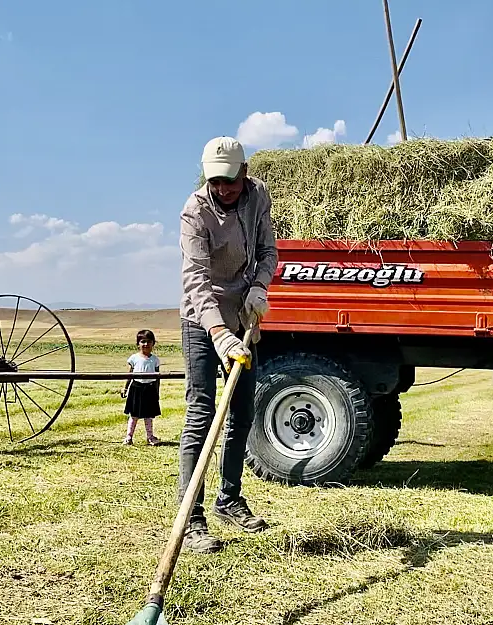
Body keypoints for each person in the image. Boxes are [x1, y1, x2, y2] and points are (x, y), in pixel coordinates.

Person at [176, 135, 278, 554]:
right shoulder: (194, 211)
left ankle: (229, 499)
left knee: (242, 410)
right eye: (216, 182)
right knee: (201, 411)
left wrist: (259, 287)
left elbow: (269, 251)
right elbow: (196, 279)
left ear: (244, 174)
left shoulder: (259, 198)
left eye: (230, 183)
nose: (223, 190)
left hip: (244, 316)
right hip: (202, 321)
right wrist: (218, 333)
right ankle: (192, 516)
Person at [122, 329, 162, 446]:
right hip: (136, 388)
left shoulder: (155, 360)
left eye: (149, 341)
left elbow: (157, 378)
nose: (146, 344)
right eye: (142, 341)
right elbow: (129, 375)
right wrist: (125, 388)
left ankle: (150, 437)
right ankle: (129, 437)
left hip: (149, 389)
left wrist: (157, 392)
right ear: (138, 344)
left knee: (148, 415)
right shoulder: (134, 358)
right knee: (134, 415)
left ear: (153, 343)